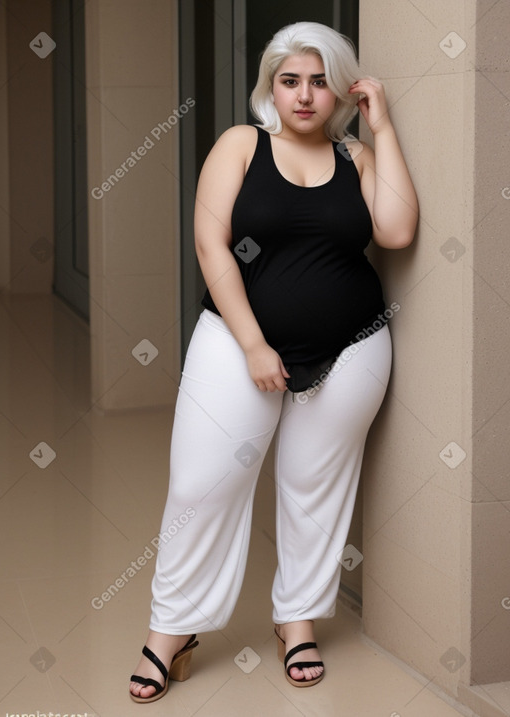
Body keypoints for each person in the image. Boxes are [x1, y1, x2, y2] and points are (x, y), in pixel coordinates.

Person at [129, 20, 418, 703]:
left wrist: (384, 128)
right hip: (236, 339)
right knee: (201, 484)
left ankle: (297, 621)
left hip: (352, 342)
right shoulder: (241, 145)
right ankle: (171, 630)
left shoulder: (357, 159)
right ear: (270, 88)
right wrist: (255, 343)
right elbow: (211, 244)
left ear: (341, 90)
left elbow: (398, 230)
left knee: (313, 486)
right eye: (291, 81)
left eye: (321, 81)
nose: (306, 95)